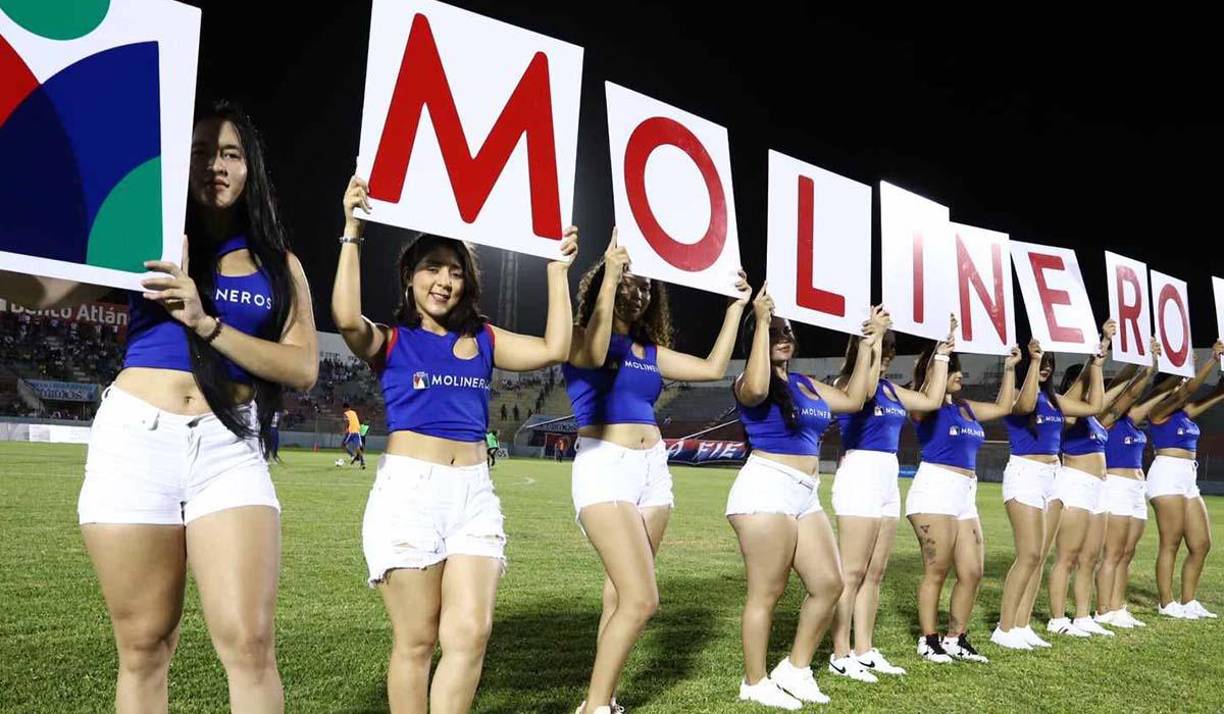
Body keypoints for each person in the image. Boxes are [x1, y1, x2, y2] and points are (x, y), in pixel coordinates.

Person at [0, 101, 318, 711]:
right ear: (178, 163)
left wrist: (206, 322)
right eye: (200, 152)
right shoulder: (141, 241)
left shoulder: (282, 267)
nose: (215, 165)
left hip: (230, 445)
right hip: (136, 441)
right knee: (145, 646)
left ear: (250, 168)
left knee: (250, 643)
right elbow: (42, 290)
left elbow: (303, 366)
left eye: (229, 153)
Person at [332, 174, 577, 712]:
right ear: (409, 279)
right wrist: (352, 231)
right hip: (409, 496)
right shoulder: (392, 339)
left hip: (474, 494)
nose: (444, 280)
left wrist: (557, 272)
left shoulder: (484, 338)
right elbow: (346, 318)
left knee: (470, 636)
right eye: (431, 268)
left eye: (455, 271)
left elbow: (557, 345)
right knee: (417, 643)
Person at [564, 229, 750, 714]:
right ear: (605, 282)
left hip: (653, 471)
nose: (639, 288)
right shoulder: (582, 338)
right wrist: (610, 272)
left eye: (647, 285)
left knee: (621, 595)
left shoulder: (651, 353)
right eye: (630, 279)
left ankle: (602, 698)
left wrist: (735, 308)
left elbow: (712, 369)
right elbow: (598, 349)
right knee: (643, 599)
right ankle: (595, 708)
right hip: (605, 467)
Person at [727, 284, 890, 709]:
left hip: (805, 492)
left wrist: (869, 345)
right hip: (766, 486)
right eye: (776, 330)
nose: (785, 336)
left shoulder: (808, 384)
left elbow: (856, 399)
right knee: (768, 591)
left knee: (829, 584)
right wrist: (761, 319)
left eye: (788, 331)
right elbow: (760, 389)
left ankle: (795, 669)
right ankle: (754, 681)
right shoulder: (748, 380)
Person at [906, 343, 1022, 663]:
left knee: (972, 571)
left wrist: (1010, 367)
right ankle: (929, 640)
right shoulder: (924, 405)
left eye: (958, 367)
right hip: (934, 489)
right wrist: (939, 357)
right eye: (952, 367)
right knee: (937, 569)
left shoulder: (965, 407)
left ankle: (956, 638)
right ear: (935, 369)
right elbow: (924, 403)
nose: (959, 373)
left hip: (965, 493)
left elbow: (1003, 407)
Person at [1147, 340, 1224, 619]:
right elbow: (1188, 390)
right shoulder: (1158, 412)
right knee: (1171, 541)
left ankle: (1189, 601)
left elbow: (1215, 394)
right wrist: (1210, 361)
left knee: (1201, 543)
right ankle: (1167, 604)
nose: (1182, 387)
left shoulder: (1184, 414)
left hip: (1187, 477)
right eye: (1177, 382)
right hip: (1166, 474)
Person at [341, 402, 365, 469]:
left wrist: (345, 430)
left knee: (343, 445)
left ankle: (352, 456)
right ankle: (362, 462)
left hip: (351, 432)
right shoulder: (354, 412)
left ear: (345, 408)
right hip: (357, 431)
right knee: (357, 447)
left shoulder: (346, 413)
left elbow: (347, 421)